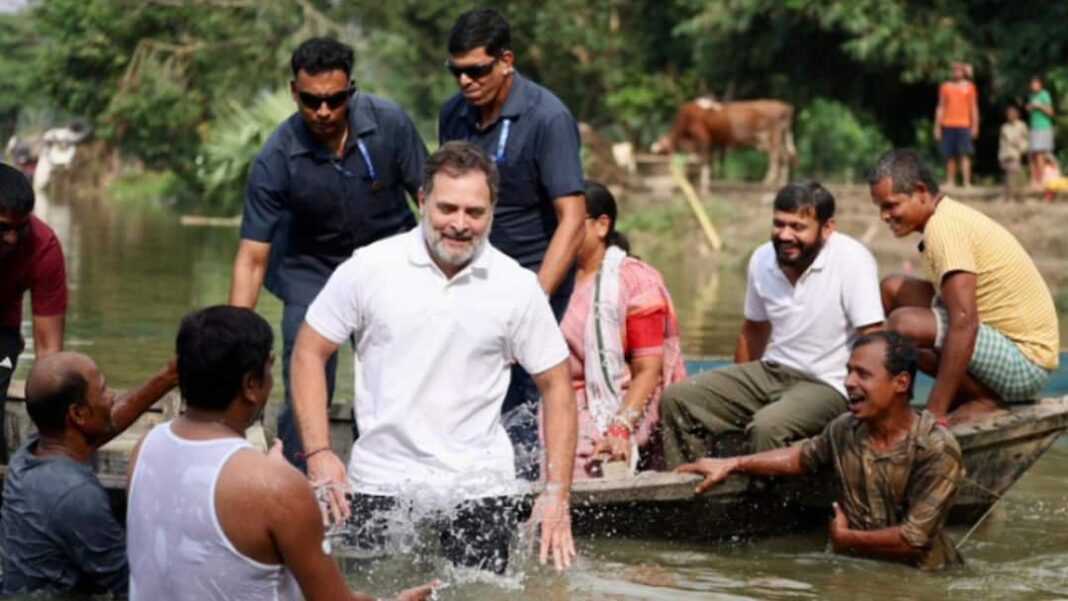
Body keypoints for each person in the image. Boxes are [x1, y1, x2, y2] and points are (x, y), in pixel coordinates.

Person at [292, 142, 577, 573]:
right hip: (380, 481)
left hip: (480, 486)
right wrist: (318, 453)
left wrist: (557, 491)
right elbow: (310, 351)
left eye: (474, 212)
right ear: (423, 201)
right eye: (447, 208)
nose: (459, 224)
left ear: (492, 211)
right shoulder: (370, 268)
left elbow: (557, 386)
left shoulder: (517, 287)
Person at [126, 306, 434, 601]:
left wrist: (266, 474)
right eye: (269, 371)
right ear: (251, 385)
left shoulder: (145, 449)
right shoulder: (275, 488)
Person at [229, 37, 428, 469]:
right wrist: (235, 339)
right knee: (306, 361)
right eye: (311, 100)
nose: (323, 111)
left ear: (351, 90)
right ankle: (300, 475)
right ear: (293, 92)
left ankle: (390, 473)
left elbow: (430, 199)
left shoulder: (390, 125)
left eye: (335, 100)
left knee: (394, 371)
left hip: (388, 261)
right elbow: (252, 257)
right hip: (310, 267)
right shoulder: (277, 156)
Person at [438, 8, 585, 478]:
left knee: (518, 396)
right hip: (468, 273)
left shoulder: (548, 118)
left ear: (506, 61)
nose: (466, 80)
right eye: (456, 70)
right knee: (461, 383)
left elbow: (573, 219)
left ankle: (519, 500)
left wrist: (534, 300)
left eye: (477, 70)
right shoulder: (452, 114)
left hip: (531, 278)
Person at [677, 332, 964, 571]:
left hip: (922, 579)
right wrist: (732, 463)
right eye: (849, 371)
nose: (850, 382)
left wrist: (846, 539)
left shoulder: (936, 448)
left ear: (901, 383)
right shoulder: (845, 429)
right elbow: (801, 457)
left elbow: (913, 540)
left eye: (863, 374)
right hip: (859, 568)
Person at [659, 181, 884, 467]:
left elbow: (874, 337)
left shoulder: (852, 260)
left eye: (798, 227)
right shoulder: (762, 258)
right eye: (779, 224)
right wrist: (738, 396)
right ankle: (692, 494)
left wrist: (870, 407)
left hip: (828, 383)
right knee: (678, 399)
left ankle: (768, 510)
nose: (785, 235)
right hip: (773, 371)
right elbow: (753, 332)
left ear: (827, 228)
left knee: (768, 427)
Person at [871, 149, 1059, 425]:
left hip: (1026, 362)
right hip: (998, 340)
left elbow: (964, 323)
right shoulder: (943, 218)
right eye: (881, 208)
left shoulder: (944, 228)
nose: (884, 216)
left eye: (891, 205)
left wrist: (935, 412)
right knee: (891, 290)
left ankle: (983, 400)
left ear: (921, 192)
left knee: (903, 324)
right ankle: (907, 400)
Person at [0, 352, 177, 596]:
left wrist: (169, 376)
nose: (112, 396)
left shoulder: (28, 455)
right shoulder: (77, 495)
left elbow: (108, 423)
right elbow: (133, 587)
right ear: (77, 414)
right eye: (103, 390)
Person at [559, 182, 686, 479]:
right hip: (566, 396)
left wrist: (620, 427)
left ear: (601, 225)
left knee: (579, 451)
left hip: (628, 400)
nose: (558, 230)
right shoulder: (554, 279)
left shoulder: (636, 282)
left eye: (567, 221)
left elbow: (648, 371)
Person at [0, 163, 67, 463]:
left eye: (20, 228)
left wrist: (52, 435)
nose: (12, 239)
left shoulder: (43, 247)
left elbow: (49, 352)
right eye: (2, 228)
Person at [934, 61, 979, 188]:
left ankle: (966, 182)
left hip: (964, 124)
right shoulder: (945, 87)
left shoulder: (969, 87)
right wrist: (937, 126)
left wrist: (975, 125)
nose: (956, 72)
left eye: (959, 70)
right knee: (950, 155)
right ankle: (951, 181)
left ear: (963, 72)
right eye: (954, 70)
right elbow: (941, 107)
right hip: (948, 124)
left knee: (965, 154)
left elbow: (973, 107)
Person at [1026, 74, 1055, 187]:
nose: (1033, 85)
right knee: (1032, 155)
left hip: (1043, 128)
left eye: (1035, 83)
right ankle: (1035, 179)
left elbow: (1051, 112)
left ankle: (1042, 180)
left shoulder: (1045, 94)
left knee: (1040, 154)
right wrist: (1030, 107)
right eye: (1032, 83)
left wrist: (1039, 106)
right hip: (1033, 128)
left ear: (1040, 84)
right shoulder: (1031, 96)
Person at [997, 105, 1029, 201]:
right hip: (1006, 155)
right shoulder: (1004, 128)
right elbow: (1002, 144)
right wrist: (1000, 158)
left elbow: (1026, 140)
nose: (1010, 115)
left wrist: (1022, 148)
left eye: (1012, 113)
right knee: (1008, 179)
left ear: (1017, 114)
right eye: (1008, 114)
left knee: (1016, 177)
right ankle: (1009, 197)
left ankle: (1017, 197)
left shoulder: (1022, 126)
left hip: (1016, 155)